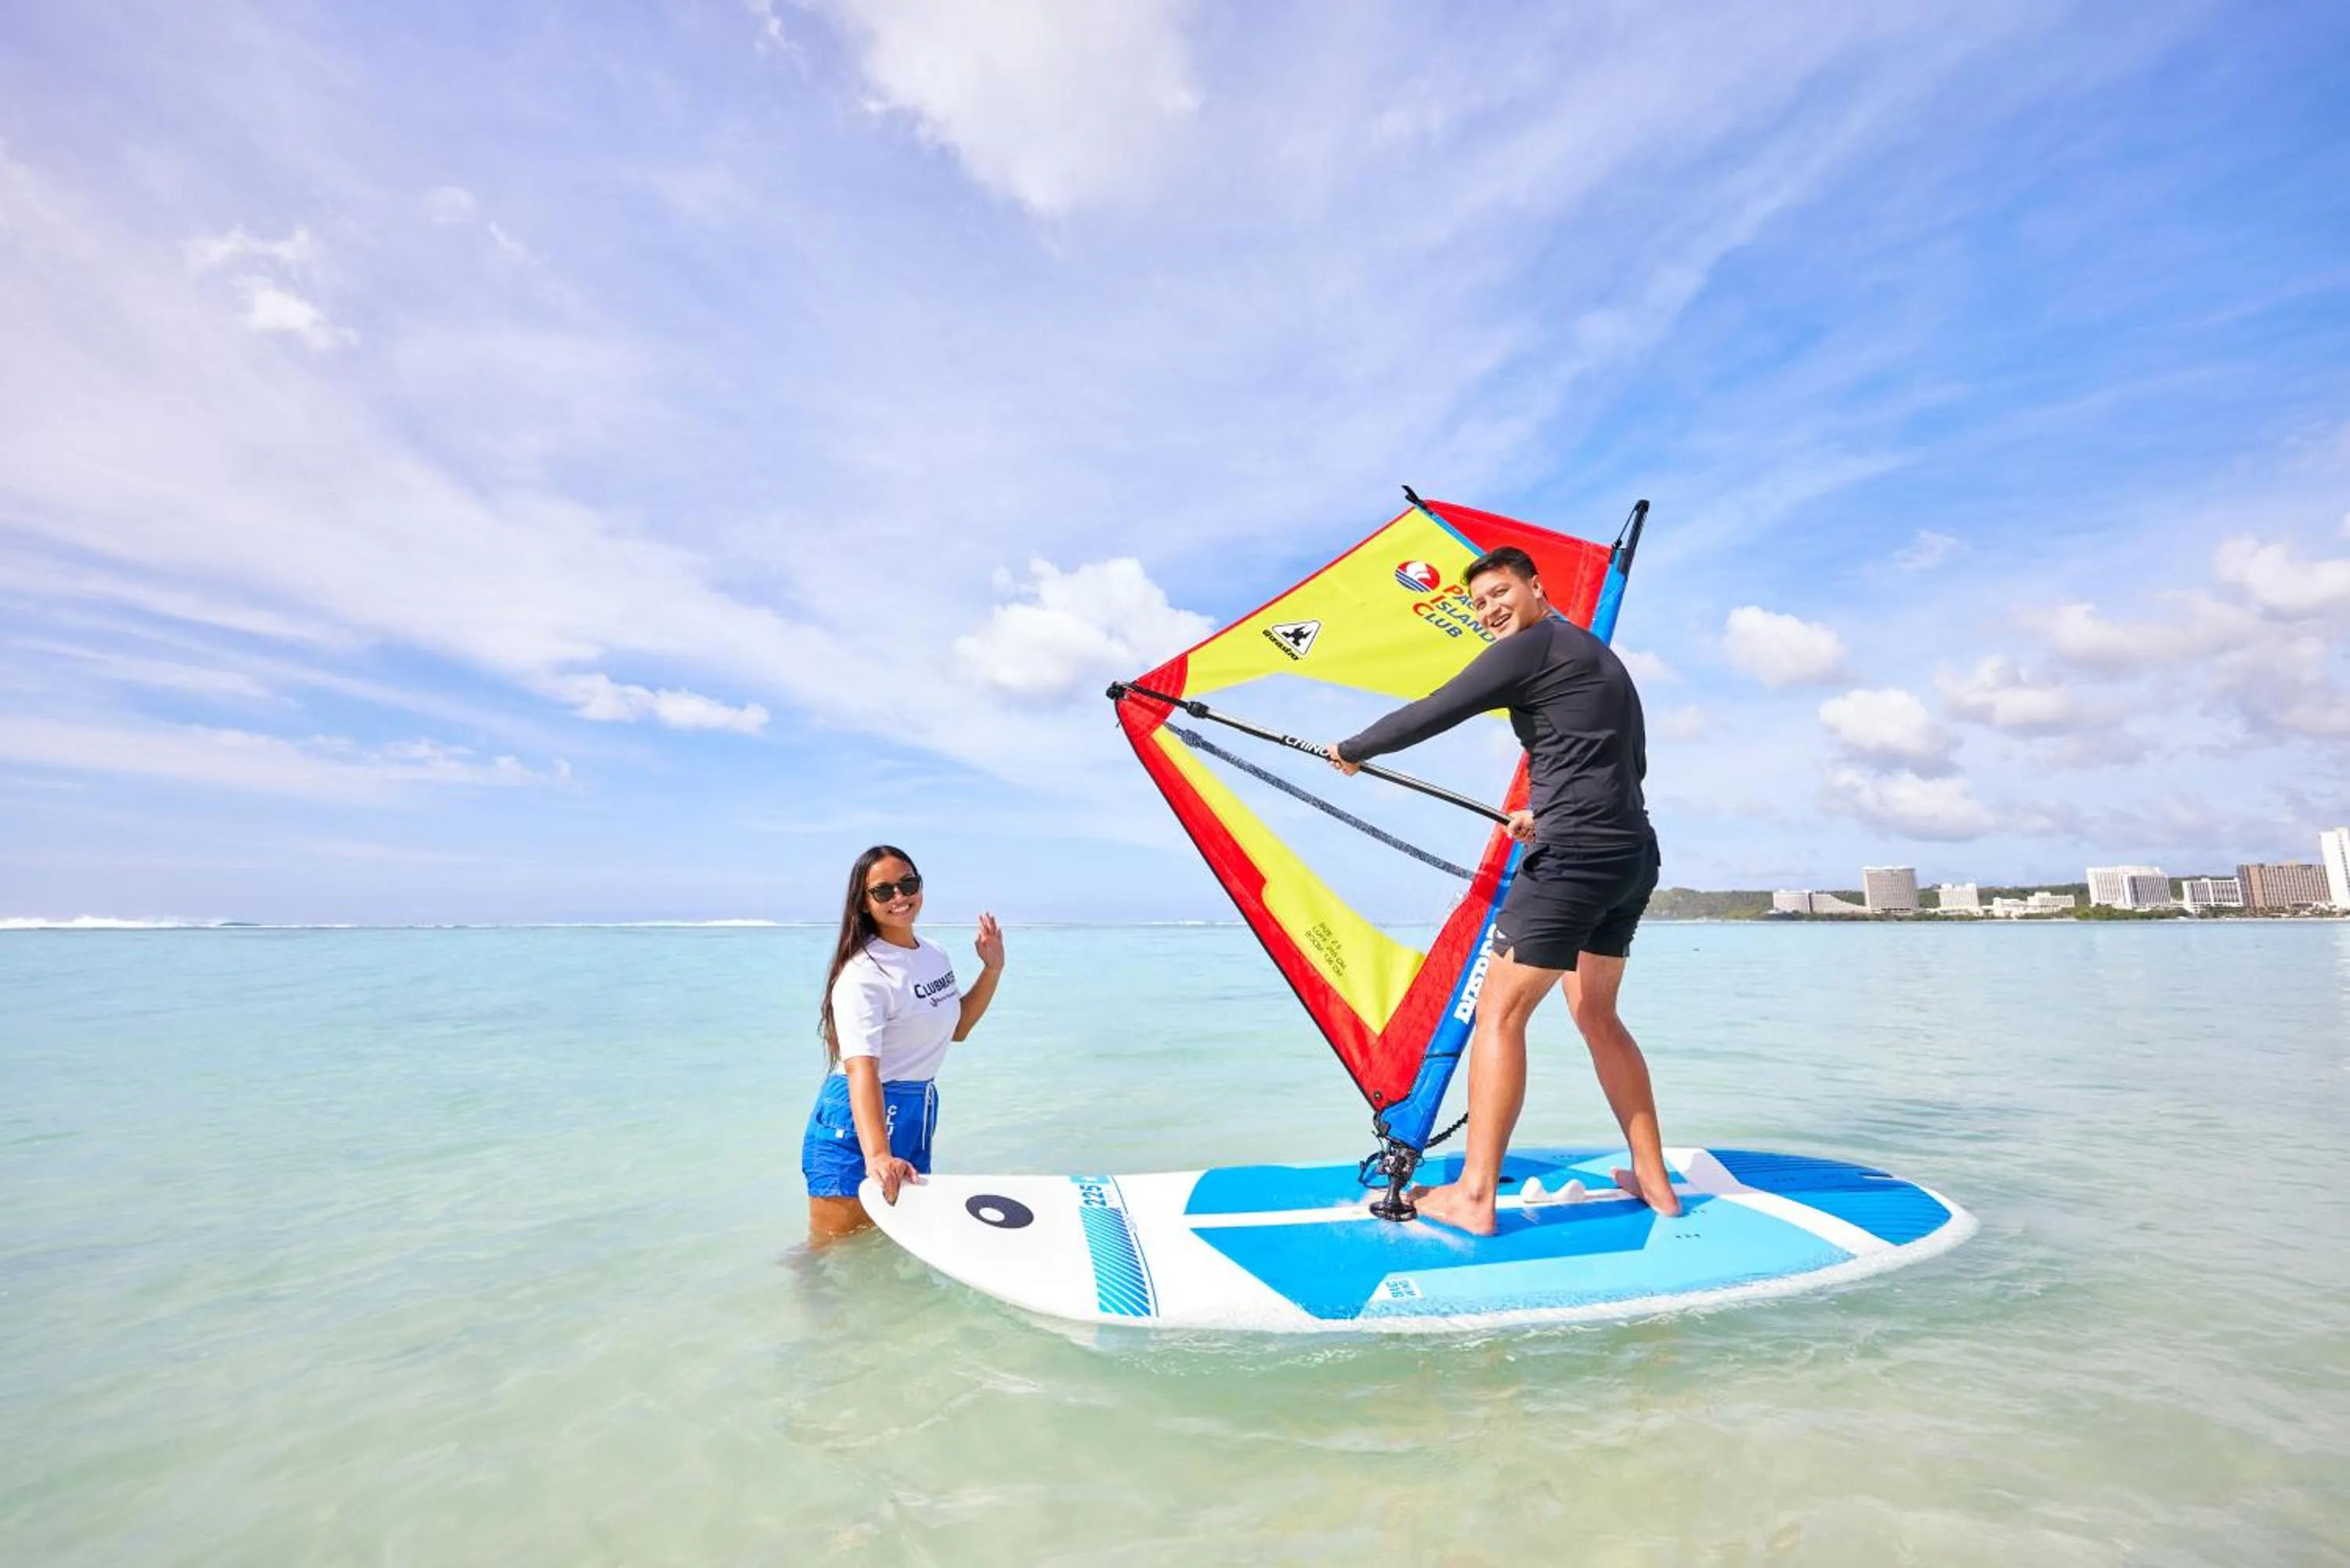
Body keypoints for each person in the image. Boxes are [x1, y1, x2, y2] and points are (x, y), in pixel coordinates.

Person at [1327, 544, 1674, 1232]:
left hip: (1572, 861)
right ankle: (1656, 1183)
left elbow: (1436, 708)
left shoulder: (1535, 645)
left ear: (1535, 588)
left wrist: (1354, 748)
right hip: (1629, 855)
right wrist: (1543, 812)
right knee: (1597, 1017)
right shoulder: (1593, 656)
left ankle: (1476, 1197)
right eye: (1478, 603)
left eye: (1498, 593)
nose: (1488, 610)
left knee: (1498, 1015)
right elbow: (1625, 762)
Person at [801, 844, 1004, 1247]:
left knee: (886, 1244)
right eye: (883, 891)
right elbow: (863, 1069)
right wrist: (876, 1155)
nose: (900, 897)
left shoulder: (934, 954)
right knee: (834, 1251)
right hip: (859, 1116)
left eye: (907, 884)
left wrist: (992, 969)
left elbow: (958, 1028)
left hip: (916, 1109)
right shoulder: (863, 974)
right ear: (863, 903)